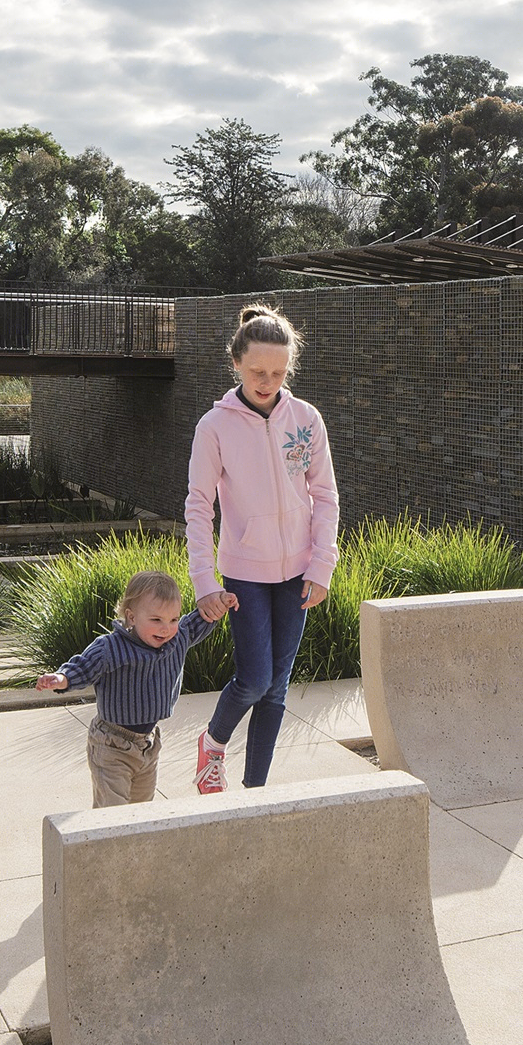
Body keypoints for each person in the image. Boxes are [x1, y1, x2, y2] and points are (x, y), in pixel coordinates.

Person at [185, 303, 339, 794]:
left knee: (276, 689)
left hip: (298, 572)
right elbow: (197, 505)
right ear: (236, 364)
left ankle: (255, 793)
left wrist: (322, 565)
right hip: (245, 573)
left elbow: (326, 495)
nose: (268, 380)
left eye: (277, 371)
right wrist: (204, 581)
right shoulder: (215, 427)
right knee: (253, 680)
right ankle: (213, 742)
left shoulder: (307, 419)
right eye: (257, 371)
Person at [36, 570, 231, 807]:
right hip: (111, 745)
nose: (166, 628)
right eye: (156, 620)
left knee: (141, 811)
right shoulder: (112, 647)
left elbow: (200, 619)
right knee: (112, 814)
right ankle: (104, 843)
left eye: (173, 619)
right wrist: (62, 678)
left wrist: (219, 603)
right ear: (131, 617)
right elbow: (85, 666)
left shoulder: (177, 637)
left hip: (148, 745)